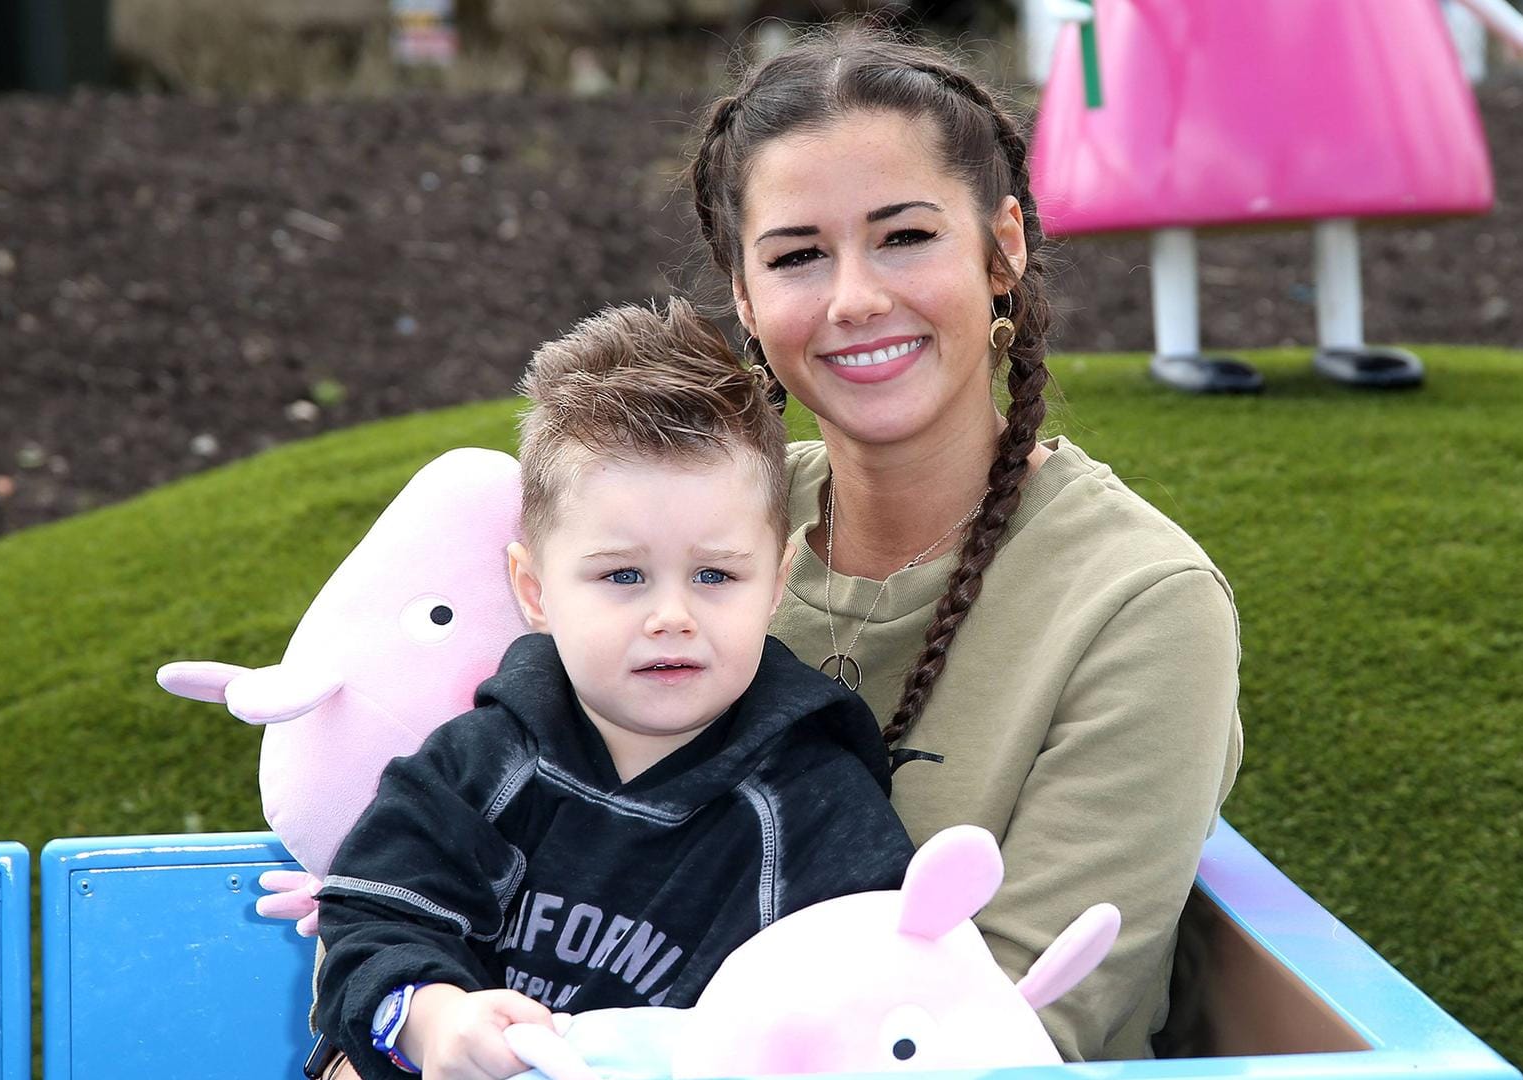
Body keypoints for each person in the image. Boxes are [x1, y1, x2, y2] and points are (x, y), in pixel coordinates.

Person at [687, 25, 1243, 1060]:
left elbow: (1023, 1026)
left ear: (1005, 247)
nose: (855, 298)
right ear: (745, 300)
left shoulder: (1141, 604)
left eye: (905, 237)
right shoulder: (700, 545)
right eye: (799, 256)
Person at [311, 300, 916, 1080]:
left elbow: (878, 1010)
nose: (672, 616)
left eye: (715, 575)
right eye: (623, 575)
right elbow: (374, 919)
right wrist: (435, 1021)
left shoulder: (814, 809)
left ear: (776, 582)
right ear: (534, 590)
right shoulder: (479, 765)